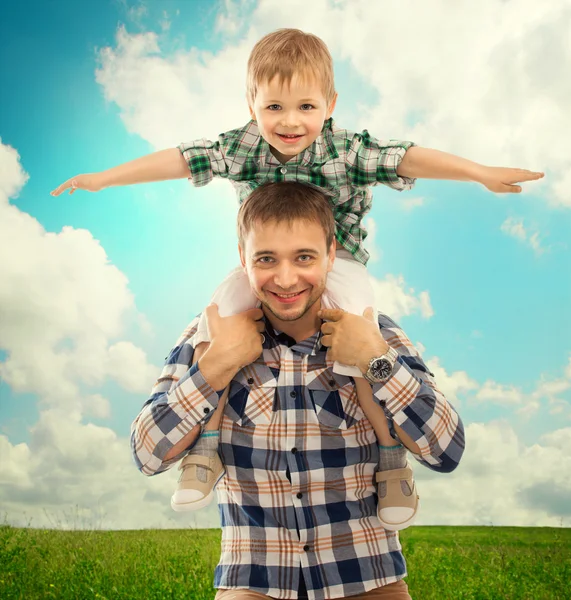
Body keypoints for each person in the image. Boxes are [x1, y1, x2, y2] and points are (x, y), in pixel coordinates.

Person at [53, 29, 541, 529]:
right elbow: (181, 159)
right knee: (215, 321)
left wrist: (478, 170)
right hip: (261, 260)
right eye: (274, 108)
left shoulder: (347, 150)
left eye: (306, 106)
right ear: (251, 104)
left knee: (358, 334)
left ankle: (392, 462)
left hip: (342, 263)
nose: (290, 122)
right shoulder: (239, 147)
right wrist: (102, 178)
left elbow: (406, 156)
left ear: (330, 104)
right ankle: (203, 451)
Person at [130, 181, 465, 599]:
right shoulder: (209, 336)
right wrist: (215, 366)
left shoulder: (374, 329)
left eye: (303, 257)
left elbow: (446, 451)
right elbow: (146, 455)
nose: (285, 280)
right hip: (253, 583)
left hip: (367, 578)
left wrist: (375, 361)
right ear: (243, 259)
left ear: (330, 255)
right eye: (266, 259)